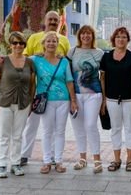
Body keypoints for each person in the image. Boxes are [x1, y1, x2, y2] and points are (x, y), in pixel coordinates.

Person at [20, 10, 70, 166]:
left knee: (55, 127)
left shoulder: (64, 40)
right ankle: (24, 154)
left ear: (59, 22)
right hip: (38, 90)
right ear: (45, 20)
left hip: (57, 93)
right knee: (31, 124)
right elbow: (25, 59)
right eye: (51, 19)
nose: (53, 22)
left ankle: (54, 157)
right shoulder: (35, 38)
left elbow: (66, 60)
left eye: (56, 20)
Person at [0, 32, 35, 178]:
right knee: (4, 134)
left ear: (24, 45)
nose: (18, 46)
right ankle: (2, 165)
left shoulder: (29, 62)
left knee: (18, 135)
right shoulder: (2, 61)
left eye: (21, 43)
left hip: (23, 103)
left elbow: (32, 84)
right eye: (15, 43)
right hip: (4, 102)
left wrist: (31, 101)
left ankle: (15, 164)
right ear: (11, 45)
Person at [31, 31, 77, 174]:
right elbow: (19, 57)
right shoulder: (35, 60)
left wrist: (73, 100)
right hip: (46, 101)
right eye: (48, 41)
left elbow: (69, 82)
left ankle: (58, 161)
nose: (51, 43)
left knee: (60, 132)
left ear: (58, 44)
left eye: (54, 41)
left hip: (63, 100)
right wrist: (1, 58)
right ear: (43, 44)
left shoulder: (63, 61)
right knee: (46, 131)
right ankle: (46, 161)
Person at [100, 27, 131, 172]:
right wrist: (103, 100)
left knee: (130, 128)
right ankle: (117, 159)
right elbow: (103, 79)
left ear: (127, 40)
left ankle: (130, 160)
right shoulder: (106, 57)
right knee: (115, 129)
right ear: (113, 39)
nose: (121, 39)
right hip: (111, 99)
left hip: (130, 99)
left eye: (124, 37)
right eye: (118, 37)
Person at [67, 25, 104, 173]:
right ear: (79, 36)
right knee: (78, 128)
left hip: (94, 94)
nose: (86, 36)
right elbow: (66, 73)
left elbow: (104, 75)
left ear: (92, 36)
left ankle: (97, 159)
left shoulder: (100, 53)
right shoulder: (72, 52)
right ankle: (82, 158)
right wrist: (71, 98)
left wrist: (105, 99)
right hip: (75, 95)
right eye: (83, 34)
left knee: (90, 125)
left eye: (89, 33)